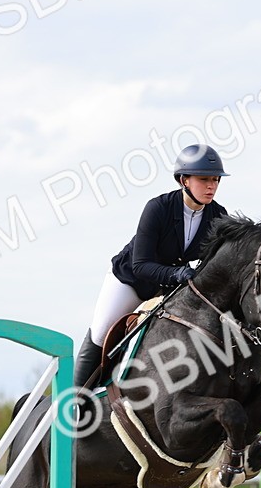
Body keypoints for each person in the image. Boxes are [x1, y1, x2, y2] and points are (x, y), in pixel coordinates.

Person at [73, 143, 230, 387]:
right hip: (131, 281)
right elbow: (141, 265)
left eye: (215, 180)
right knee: (101, 333)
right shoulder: (158, 208)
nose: (212, 186)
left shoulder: (218, 216)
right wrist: (177, 274)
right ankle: (74, 401)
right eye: (204, 179)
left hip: (168, 289)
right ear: (184, 180)